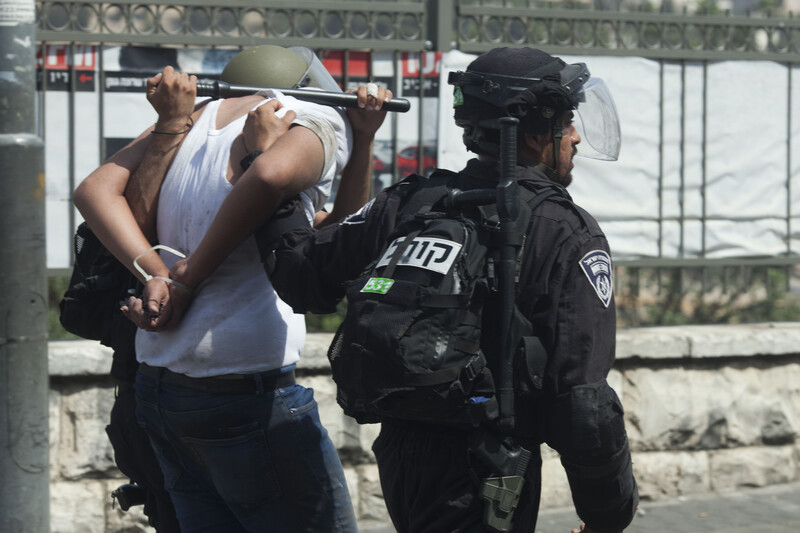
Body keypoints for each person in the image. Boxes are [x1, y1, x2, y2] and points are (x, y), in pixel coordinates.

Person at [237, 46, 637, 532]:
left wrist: (262, 163)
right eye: (567, 120)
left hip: (402, 456)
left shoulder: (410, 201)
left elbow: (302, 277)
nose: (574, 135)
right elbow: (583, 401)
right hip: (489, 467)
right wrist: (607, 518)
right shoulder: (564, 230)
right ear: (536, 128)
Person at [74, 45, 392, 533]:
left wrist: (156, 273)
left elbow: (93, 191)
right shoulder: (310, 113)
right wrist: (186, 278)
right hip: (243, 387)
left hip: (160, 387)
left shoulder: (193, 117)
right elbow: (271, 173)